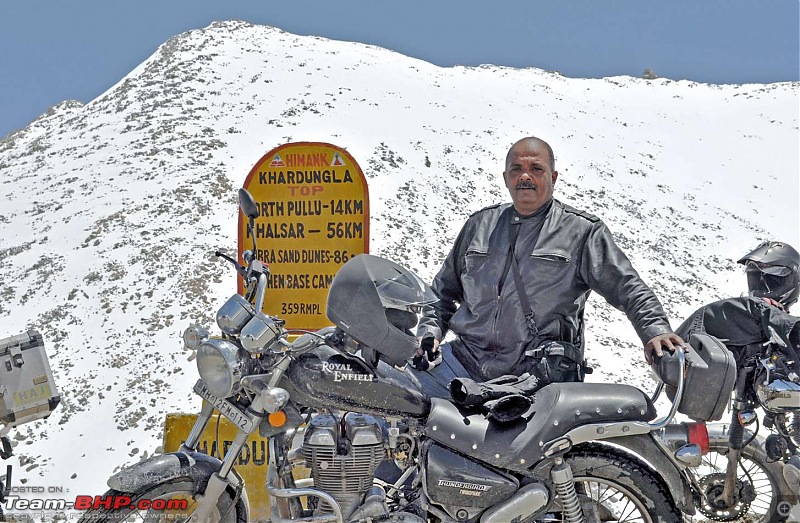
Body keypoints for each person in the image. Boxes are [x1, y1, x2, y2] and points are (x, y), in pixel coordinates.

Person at [413, 136, 685, 398]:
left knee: (503, 442)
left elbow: (628, 287)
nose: (525, 177)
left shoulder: (582, 232)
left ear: (553, 177)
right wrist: (429, 333)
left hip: (537, 376)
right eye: (516, 169)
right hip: (463, 363)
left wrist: (656, 331)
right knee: (399, 401)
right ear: (506, 177)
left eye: (536, 169)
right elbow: (442, 293)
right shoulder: (479, 225)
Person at [675, 241, 800, 370]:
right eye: (756, 279)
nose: (760, 288)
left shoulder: (785, 334)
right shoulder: (742, 316)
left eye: (772, 280)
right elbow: (703, 321)